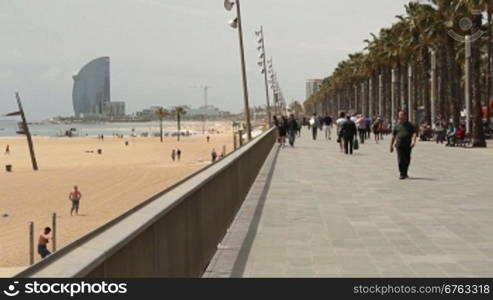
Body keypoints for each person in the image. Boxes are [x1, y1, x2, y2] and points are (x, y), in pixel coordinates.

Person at [390, 111, 417, 180]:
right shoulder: (396, 125)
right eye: (399, 115)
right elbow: (393, 136)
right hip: (399, 145)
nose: (400, 117)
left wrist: (414, 142)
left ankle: (405, 173)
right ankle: (402, 174)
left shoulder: (410, 125)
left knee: (407, 159)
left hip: (408, 145)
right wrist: (391, 146)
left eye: (401, 115)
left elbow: (414, 134)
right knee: (401, 159)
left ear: (405, 116)